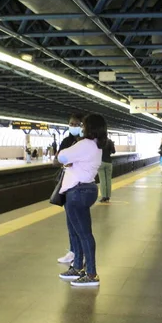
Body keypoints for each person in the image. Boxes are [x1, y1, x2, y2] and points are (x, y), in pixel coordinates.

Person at [57, 114, 106, 287]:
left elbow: (61, 157)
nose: (81, 127)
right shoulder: (96, 145)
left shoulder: (85, 144)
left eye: (84, 125)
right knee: (77, 231)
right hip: (85, 189)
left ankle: (91, 274)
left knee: (83, 233)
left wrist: (69, 160)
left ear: (90, 127)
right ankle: (77, 267)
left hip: (78, 191)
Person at [57, 114, 84, 264]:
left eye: (76, 124)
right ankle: (73, 252)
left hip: (81, 185)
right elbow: (58, 159)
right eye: (71, 123)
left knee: (79, 223)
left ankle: (79, 255)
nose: (73, 126)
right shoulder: (66, 141)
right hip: (68, 183)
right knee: (70, 221)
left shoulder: (86, 142)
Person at [98, 136, 116, 203]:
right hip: (109, 162)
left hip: (101, 162)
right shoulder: (110, 141)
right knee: (108, 180)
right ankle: (108, 197)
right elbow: (114, 151)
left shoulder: (99, 141)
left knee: (102, 180)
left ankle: (104, 197)